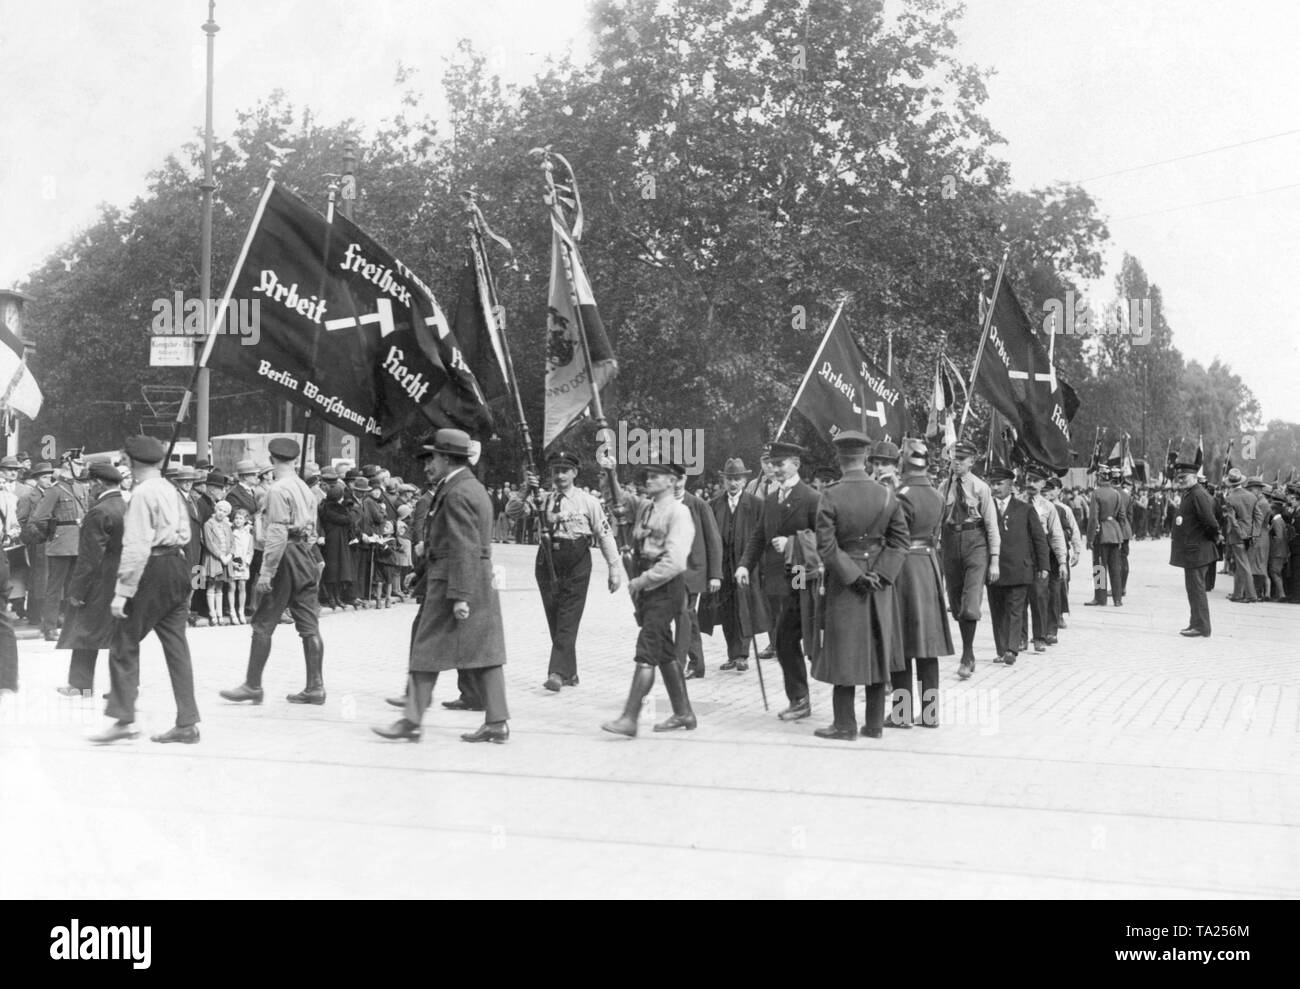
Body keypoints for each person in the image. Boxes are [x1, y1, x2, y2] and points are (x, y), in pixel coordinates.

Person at [374, 429, 511, 743]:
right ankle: (497, 722)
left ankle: (410, 721)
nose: (427, 465)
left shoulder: (457, 492)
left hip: (456, 582)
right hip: (471, 579)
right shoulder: (469, 487)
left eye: (432, 457)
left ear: (448, 458)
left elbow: (463, 546)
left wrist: (460, 596)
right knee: (485, 653)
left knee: (425, 650)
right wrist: (422, 575)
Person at [91, 435, 200, 744]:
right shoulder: (170, 489)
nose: (122, 464)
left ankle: (124, 719)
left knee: (124, 642)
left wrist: (123, 591)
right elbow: (185, 533)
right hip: (177, 566)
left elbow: (137, 545)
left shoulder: (141, 495)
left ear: (133, 462)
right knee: (177, 647)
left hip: (152, 568)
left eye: (124, 460)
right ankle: (187, 721)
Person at [810, 431, 909, 740]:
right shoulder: (886, 493)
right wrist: (880, 574)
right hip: (880, 583)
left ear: (840, 459)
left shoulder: (830, 494)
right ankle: (875, 724)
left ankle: (844, 724)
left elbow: (826, 547)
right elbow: (900, 540)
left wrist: (854, 576)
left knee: (844, 651)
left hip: (845, 582)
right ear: (866, 458)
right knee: (879, 648)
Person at [219, 438, 325, 706]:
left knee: (263, 622)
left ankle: (253, 685)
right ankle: (315, 687)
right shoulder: (304, 487)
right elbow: (312, 529)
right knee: (309, 625)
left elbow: (277, 533)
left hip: (284, 556)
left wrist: (267, 573)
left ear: (273, 459)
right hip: (305, 554)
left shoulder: (277, 490)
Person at [601, 460, 696, 738]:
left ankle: (630, 718)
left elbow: (676, 562)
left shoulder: (679, 513)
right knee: (665, 650)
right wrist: (610, 472)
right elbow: (615, 499)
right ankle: (684, 713)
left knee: (648, 648)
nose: (650, 479)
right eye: (649, 475)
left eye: (657, 476)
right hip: (648, 586)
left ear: (672, 481)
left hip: (664, 586)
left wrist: (642, 581)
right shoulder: (646, 506)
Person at [516, 450, 623, 692]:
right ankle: (570, 672)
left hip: (577, 561)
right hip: (547, 561)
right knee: (555, 616)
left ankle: (556, 672)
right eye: (555, 471)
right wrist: (525, 489)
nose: (560, 475)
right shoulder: (542, 498)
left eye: (565, 471)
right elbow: (514, 513)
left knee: (568, 617)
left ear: (574, 473)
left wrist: (614, 567)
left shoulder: (589, 502)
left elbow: (604, 534)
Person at [737, 439, 820, 720]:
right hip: (774, 578)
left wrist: (792, 542)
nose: (775, 469)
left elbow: (823, 539)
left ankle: (800, 700)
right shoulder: (770, 499)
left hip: (799, 576)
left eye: (781, 463)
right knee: (784, 638)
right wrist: (745, 565)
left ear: (796, 464)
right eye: (773, 464)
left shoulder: (811, 498)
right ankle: (798, 699)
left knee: (786, 638)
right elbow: (759, 535)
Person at [889, 439, 953, 728]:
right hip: (928, 566)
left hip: (905, 568)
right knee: (927, 645)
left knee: (901, 644)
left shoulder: (901, 495)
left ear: (904, 462)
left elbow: (894, 536)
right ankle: (930, 713)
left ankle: (901, 714)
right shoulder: (937, 495)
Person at [54, 462, 127, 696]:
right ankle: (123, 687)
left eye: (88, 483)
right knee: (121, 634)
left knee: (84, 631)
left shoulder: (99, 511)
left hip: (98, 583)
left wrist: (77, 591)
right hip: (121, 579)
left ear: (97, 483)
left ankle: (80, 685)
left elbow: (89, 558)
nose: (87, 488)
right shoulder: (125, 506)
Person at [936, 441, 1000, 678]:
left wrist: (994, 559)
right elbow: (938, 521)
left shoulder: (981, 488)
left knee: (970, 603)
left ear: (972, 461)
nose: (957, 462)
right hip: (951, 543)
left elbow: (992, 526)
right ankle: (966, 651)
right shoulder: (944, 487)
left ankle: (968, 655)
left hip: (976, 543)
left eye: (962, 459)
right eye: (954, 458)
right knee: (956, 603)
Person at [709, 458, 767, 672]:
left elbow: (763, 536)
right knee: (727, 611)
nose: (733, 483)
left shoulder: (756, 505)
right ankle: (732, 654)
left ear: (744, 480)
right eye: (729, 479)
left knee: (745, 609)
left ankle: (743, 654)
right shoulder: (714, 505)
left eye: (737, 479)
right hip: (723, 567)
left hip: (747, 566)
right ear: (724, 481)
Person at [986, 466, 1048, 667]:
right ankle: (1001, 649)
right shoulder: (985, 509)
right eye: (992, 484)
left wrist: (1043, 566)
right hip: (994, 568)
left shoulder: (1025, 509)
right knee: (998, 611)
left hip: (1020, 568)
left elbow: (1039, 539)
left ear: (1010, 485)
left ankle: (1011, 649)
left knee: (1015, 609)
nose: (995, 487)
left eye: (999, 484)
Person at [27, 457, 90, 641]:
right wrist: (52, 533)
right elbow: (39, 517)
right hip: (60, 544)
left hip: (78, 543)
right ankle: (49, 628)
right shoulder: (54, 490)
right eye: (78, 465)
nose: (81, 468)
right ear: (67, 466)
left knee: (74, 587)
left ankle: (71, 625)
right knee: (54, 588)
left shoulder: (79, 487)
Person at [672, 469, 722, 679]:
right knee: (683, 616)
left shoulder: (698, 505)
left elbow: (713, 540)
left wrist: (715, 574)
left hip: (692, 571)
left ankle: (685, 663)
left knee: (685, 614)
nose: (675, 484)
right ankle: (695, 663)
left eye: (679, 479)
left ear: (685, 479)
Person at [1169, 462, 1220, 637]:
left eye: (1184, 477)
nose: (1181, 480)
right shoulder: (1191, 493)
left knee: (1197, 590)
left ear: (1194, 477)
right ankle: (1195, 623)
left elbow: (1210, 522)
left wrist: (1212, 538)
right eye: (1179, 478)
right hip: (1193, 550)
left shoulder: (1198, 494)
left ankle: (1202, 627)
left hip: (1198, 550)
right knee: (1193, 589)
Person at [1021, 469, 1067, 652]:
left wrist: (1063, 560)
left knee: (1040, 595)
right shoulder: (1016, 502)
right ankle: (1021, 637)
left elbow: (1057, 534)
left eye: (1036, 480)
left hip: (1042, 555)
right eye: (1029, 479)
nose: (1031, 483)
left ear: (1043, 484)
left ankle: (1101, 593)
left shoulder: (1050, 507)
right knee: (1020, 597)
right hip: (1020, 554)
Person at [1085, 467, 1125, 607]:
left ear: (1100, 477)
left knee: (1099, 567)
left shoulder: (1096, 493)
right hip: (1115, 533)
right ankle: (1117, 598)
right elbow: (1122, 517)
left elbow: (1093, 518)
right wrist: (1120, 535)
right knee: (1115, 567)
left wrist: (1090, 539)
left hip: (1101, 533)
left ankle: (1100, 598)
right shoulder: (1116, 493)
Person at [1222, 469, 1258, 603]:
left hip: (1238, 536)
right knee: (1240, 564)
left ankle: (1251, 595)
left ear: (1230, 484)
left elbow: (1232, 520)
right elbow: (1257, 517)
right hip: (1251, 535)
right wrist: (1254, 533)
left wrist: (1241, 533)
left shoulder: (1230, 498)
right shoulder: (1252, 496)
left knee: (1243, 566)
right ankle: (1237, 594)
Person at [202, 499, 234, 625]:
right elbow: (209, 543)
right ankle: (212, 613)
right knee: (211, 585)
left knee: (220, 586)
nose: (221, 513)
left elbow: (232, 541)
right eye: (220, 510)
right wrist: (221, 556)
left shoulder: (227, 525)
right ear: (216, 509)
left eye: (225, 512)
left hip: (226, 559)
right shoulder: (208, 524)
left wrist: (230, 555)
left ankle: (220, 613)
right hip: (214, 558)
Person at [1246, 477, 1271, 602]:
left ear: (1257, 489)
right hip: (1259, 535)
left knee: (1258, 564)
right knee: (1255, 563)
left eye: (1251, 490)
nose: (1250, 492)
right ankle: (1253, 592)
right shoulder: (1259, 502)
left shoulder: (1262, 504)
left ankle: (1256, 593)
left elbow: (1258, 523)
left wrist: (1253, 537)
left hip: (1259, 536)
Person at [228, 508, 253, 623]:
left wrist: (246, 563)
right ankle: (232, 612)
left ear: (245, 520)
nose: (238, 520)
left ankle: (241, 611)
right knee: (231, 587)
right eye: (236, 518)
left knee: (242, 587)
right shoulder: (230, 532)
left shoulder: (248, 535)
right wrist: (231, 562)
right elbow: (227, 548)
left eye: (241, 518)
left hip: (243, 564)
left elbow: (250, 551)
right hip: (232, 562)